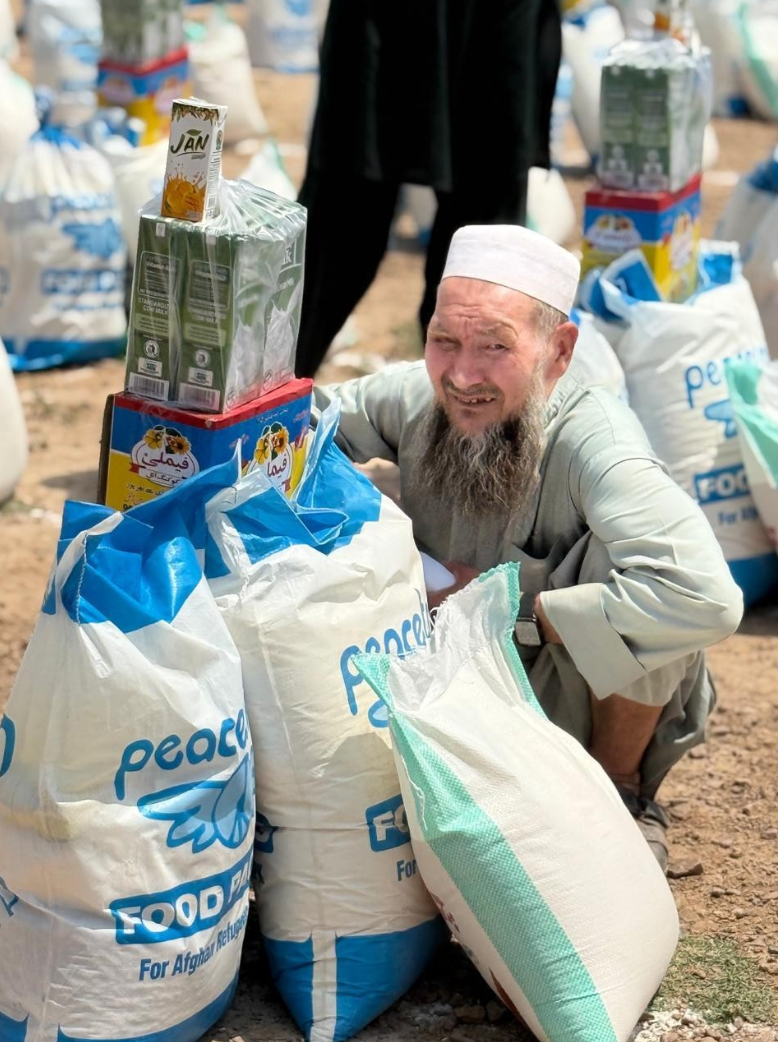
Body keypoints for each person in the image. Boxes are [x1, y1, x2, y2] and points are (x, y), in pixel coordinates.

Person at [313, 224, 744, 871]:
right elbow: (302, 430)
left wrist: (512, 611)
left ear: (559, 351)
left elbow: (707, 599)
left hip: (562, 699)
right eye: (444, 341)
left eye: (495, 347)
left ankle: (620, 795)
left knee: (643, 583)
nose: (463, 375)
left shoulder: (596, 442)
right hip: (440, 683)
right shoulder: (416, 397)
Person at [295, 0, 562, 378]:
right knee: (343, 220)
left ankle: (465, 418)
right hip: (384, 19)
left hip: (494, 21)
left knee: (482, 243)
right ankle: (259, 410)